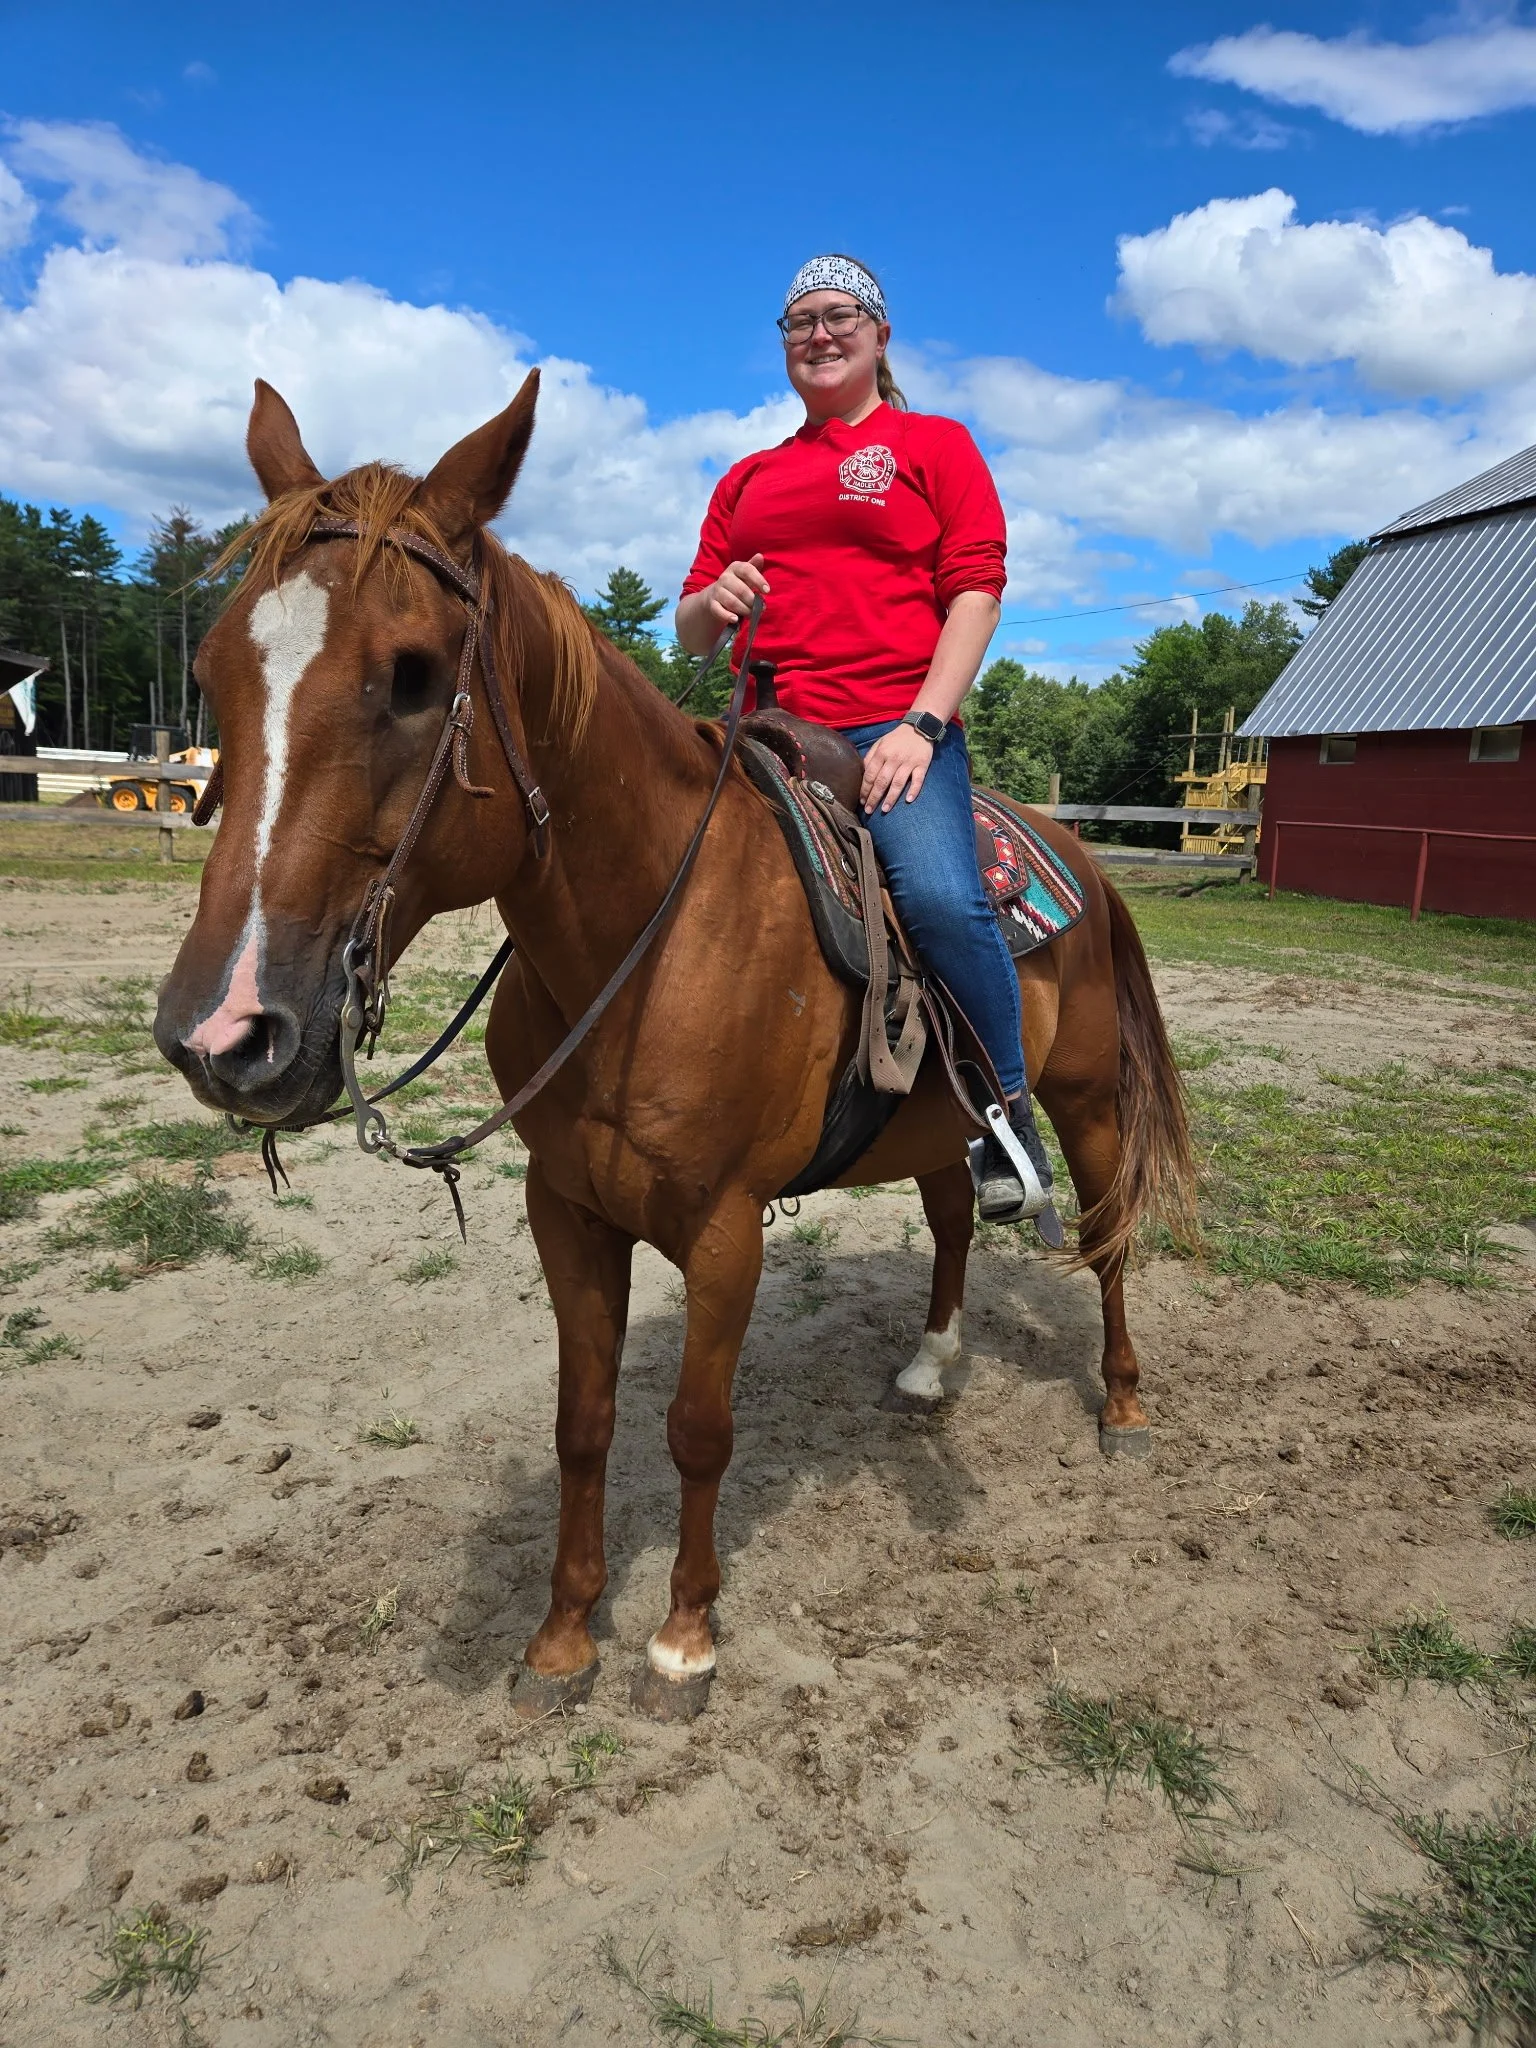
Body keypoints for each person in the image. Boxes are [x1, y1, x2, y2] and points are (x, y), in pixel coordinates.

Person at [676, 253, 1060, 1240]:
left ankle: (1003, 1118)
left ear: (881, 334)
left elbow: (976, 590)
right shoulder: (747, 477)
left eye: (839, 315)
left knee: (935, 894)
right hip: (765, 730)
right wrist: (711, 603)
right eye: (797, 320)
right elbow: (689, 626)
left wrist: (923, 726)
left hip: (893, 729)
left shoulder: (933, 445)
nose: (817, 333)